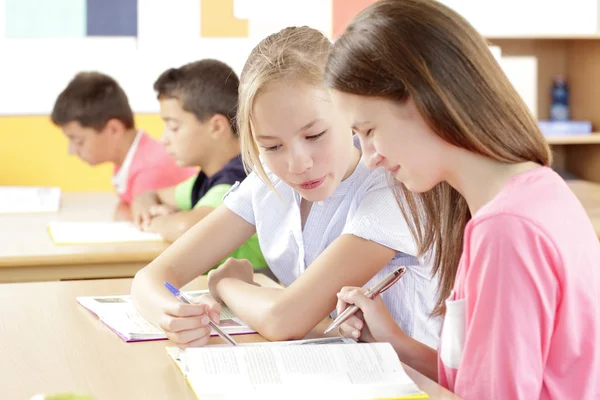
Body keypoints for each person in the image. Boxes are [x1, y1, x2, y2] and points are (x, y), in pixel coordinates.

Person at [326, 1, 600, 399]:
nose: (370, 158)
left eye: (369, 130)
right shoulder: (538, 190)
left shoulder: (506, 229)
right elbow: (480, 377)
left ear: (424, 99)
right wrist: (393, 342)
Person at [131, 26, 440, 348]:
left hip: (417, 385)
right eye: (272, 146)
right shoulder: (271, 180)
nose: (297, 164)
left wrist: (226, 284)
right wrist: (174, 314)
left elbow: (284, 319)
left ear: (350, 112)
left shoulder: (390, 189)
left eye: (314, 136)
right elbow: (149, 279)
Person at [51, 72, 195, 204]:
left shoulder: (150, 171)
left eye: (78, 141)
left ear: (114, 129)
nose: (71, 150)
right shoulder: (129, 160)